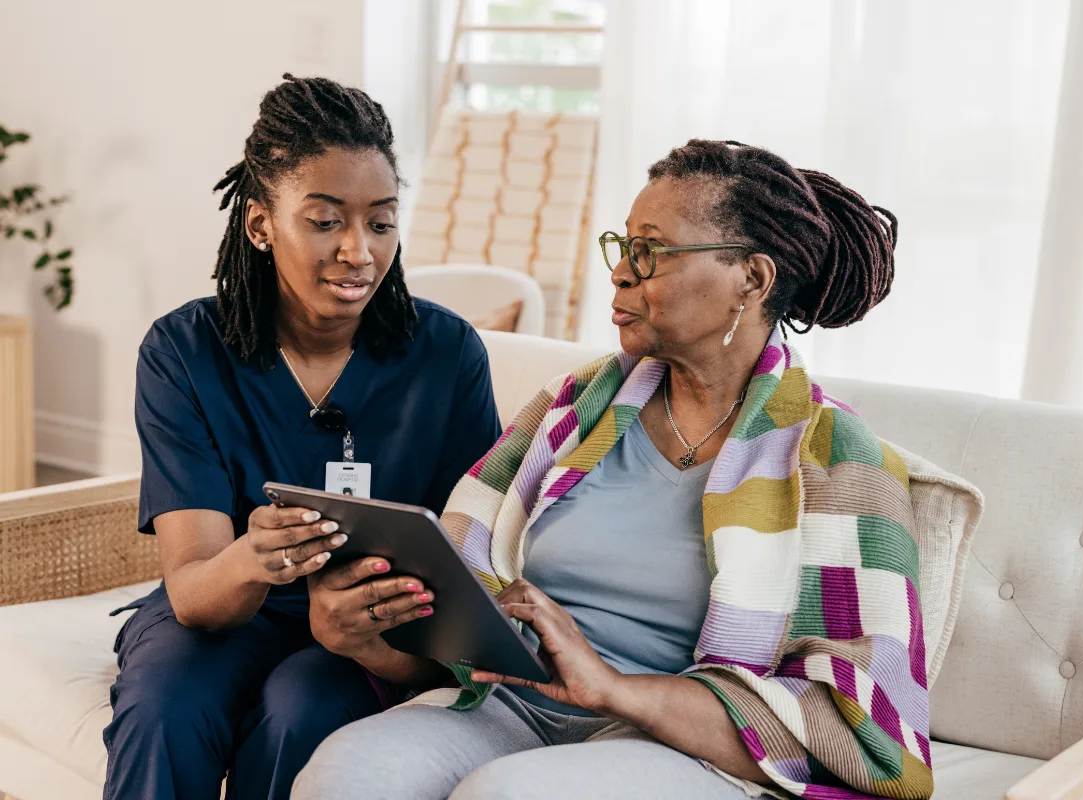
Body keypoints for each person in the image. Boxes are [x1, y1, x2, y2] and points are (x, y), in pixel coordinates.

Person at [293, 140, 933, 799]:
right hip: (519, 702)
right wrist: (369, 640)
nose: (622, 272)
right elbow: (470, 613)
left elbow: (856, 725)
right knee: (346, 771)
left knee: (507, 795)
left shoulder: (833, 453)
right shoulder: (575, 406)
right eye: (621, 246)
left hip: (686, 743)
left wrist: (615, 689)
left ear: (753, 278)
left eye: (651, 251)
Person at [102, 75, 501, 800]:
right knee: (165, 705)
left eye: (380, 223)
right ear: (260, 225)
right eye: (325, 221)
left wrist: (377, 632)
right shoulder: (183, 352)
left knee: (302, 710)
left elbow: (475, 565)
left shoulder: (447, 355)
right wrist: (256, 558)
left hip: (363, 628)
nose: (358, 251)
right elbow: (194, 592)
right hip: (228, 606)